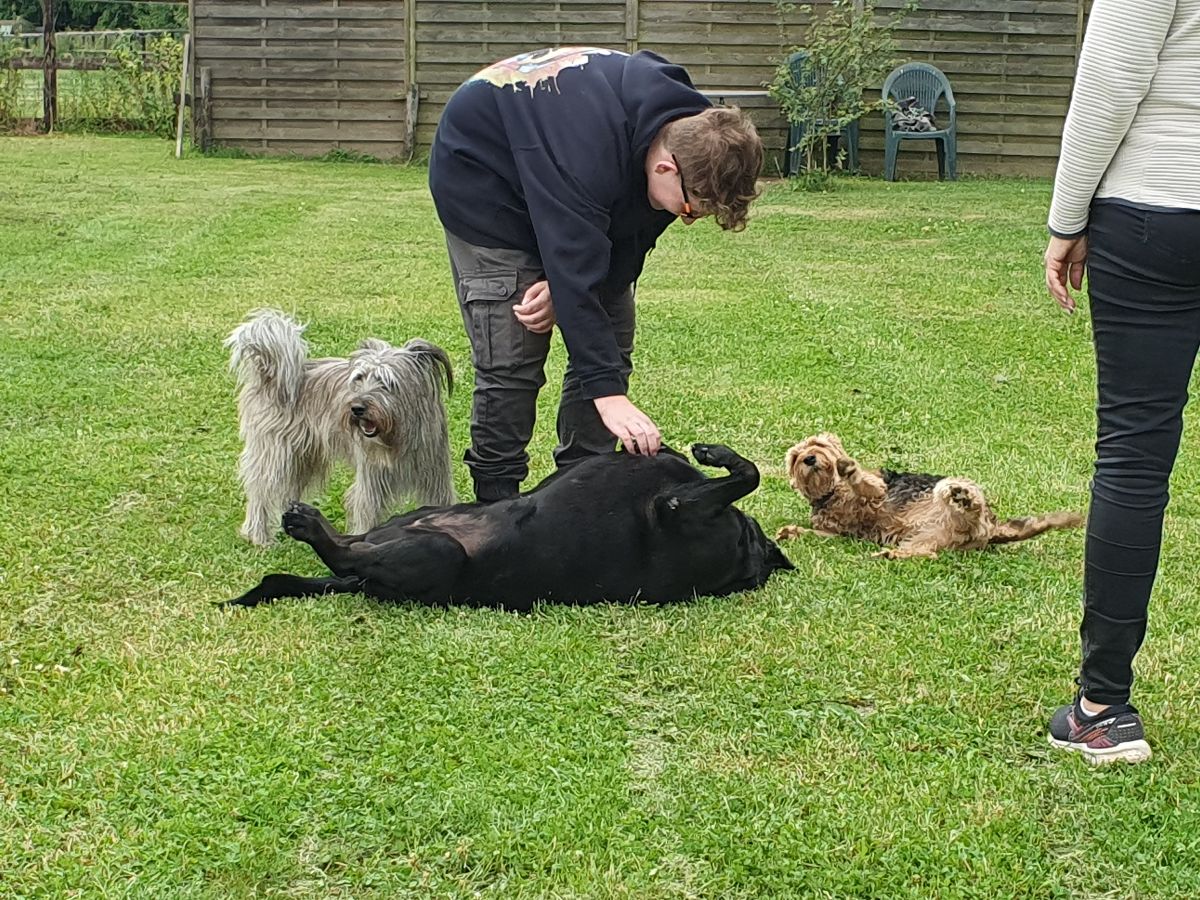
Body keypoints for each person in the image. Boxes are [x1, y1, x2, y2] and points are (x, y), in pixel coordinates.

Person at [428, 46, 763, 502]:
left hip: (564, 172)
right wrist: (608, 393)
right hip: (486, 182)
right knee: (515, 351)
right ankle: (495, 502)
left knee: (612, 328)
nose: (686, 219)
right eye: (689, 210)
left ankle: (580, 488)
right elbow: (573, 253)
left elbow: (632, 236)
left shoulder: (693, 136)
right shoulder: (588, 152)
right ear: (665, 167)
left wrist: (572, 287)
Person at [1043, 0, 1200, 764]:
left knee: (1135, 455)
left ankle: (1102, 709)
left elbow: (1110, 79)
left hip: (1158, 209)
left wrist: (1067, 216)